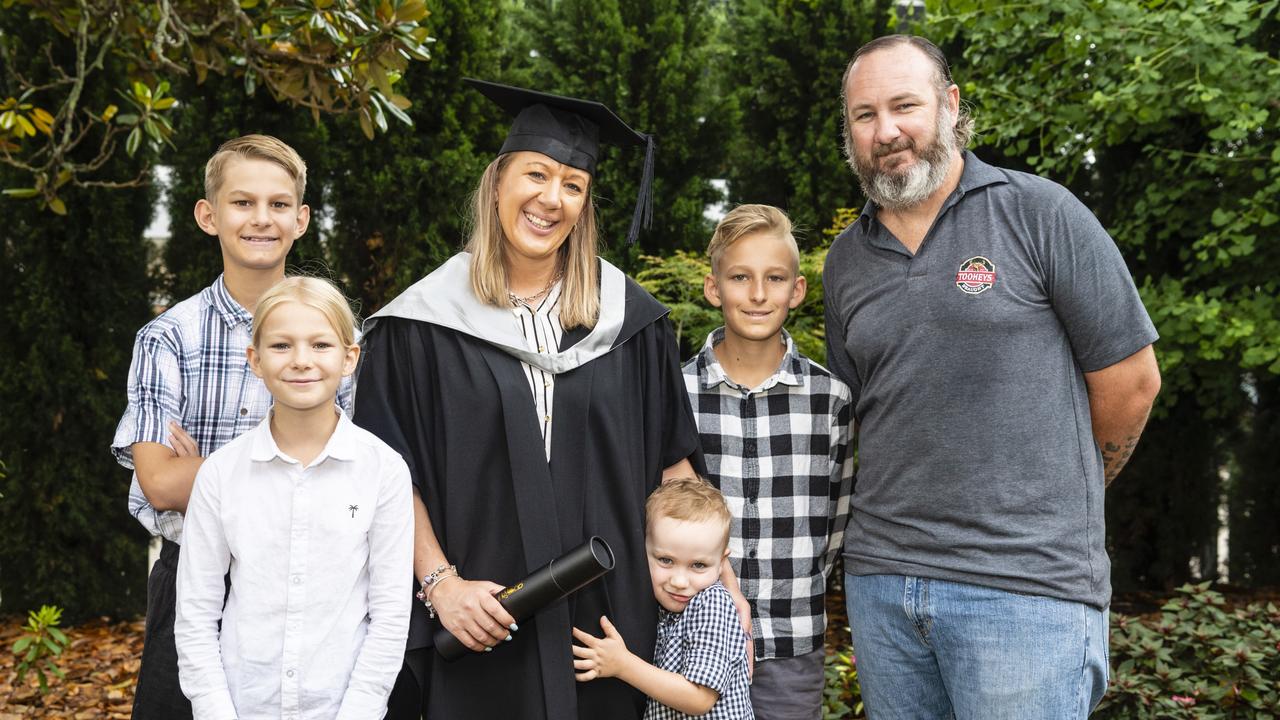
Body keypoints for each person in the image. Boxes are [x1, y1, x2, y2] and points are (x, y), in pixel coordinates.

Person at [824, 34, 1162, 719]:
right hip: (883, 587)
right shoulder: (845, 262)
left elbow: (1131, 382)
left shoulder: (1041, 214)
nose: (887, 131)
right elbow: (858, 412)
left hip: (1024, 591)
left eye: (905, 106)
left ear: (949, 107)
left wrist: (1064, 491)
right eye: (865, 115)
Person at [352, 79, 713, 720]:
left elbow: (675, 468)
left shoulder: (631, 322)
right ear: (497, 183)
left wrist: (721, 590)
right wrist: (442, 587)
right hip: (483, 620)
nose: (552, 198)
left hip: (609, 631)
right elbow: (386, 476)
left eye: (573, 184)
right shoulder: (419, 326)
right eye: (536, 174)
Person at [110, 134, 346, 718]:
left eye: (279, 204)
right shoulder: (169, 337)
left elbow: (344, 478)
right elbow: (161, 485)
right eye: (242, 203)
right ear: (208, 216)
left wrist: (206, 466)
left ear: (302, 219)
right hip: (193, 581)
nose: (261, 219)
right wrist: (290, 453)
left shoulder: (335, 335)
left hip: (308, 588)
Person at [173, 276, 412, 719]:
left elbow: (390, 616)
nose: (301, 361)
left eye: (320, 345)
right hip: (243, 705)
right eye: (281, 346)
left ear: (349, 357)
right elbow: (195, 616)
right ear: (255, 360)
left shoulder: (384, 470)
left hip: (343, 707)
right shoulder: (221, 475)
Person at [681, 203, 853, 719]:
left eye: (774, 278)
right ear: (715, 289)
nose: (758, 294)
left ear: (796, 291)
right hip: (690, 638)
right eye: (740, 277)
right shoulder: (676, 393)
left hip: (791, 643)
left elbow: (835, 521)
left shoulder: (829, 398)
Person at [572, 477, 752, 720]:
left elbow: (699, 699)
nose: (679, 581)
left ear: (722, 563)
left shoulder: (712, 604)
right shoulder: (666, 608)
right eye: (666, 560)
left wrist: (622, 664)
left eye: (698, 565)